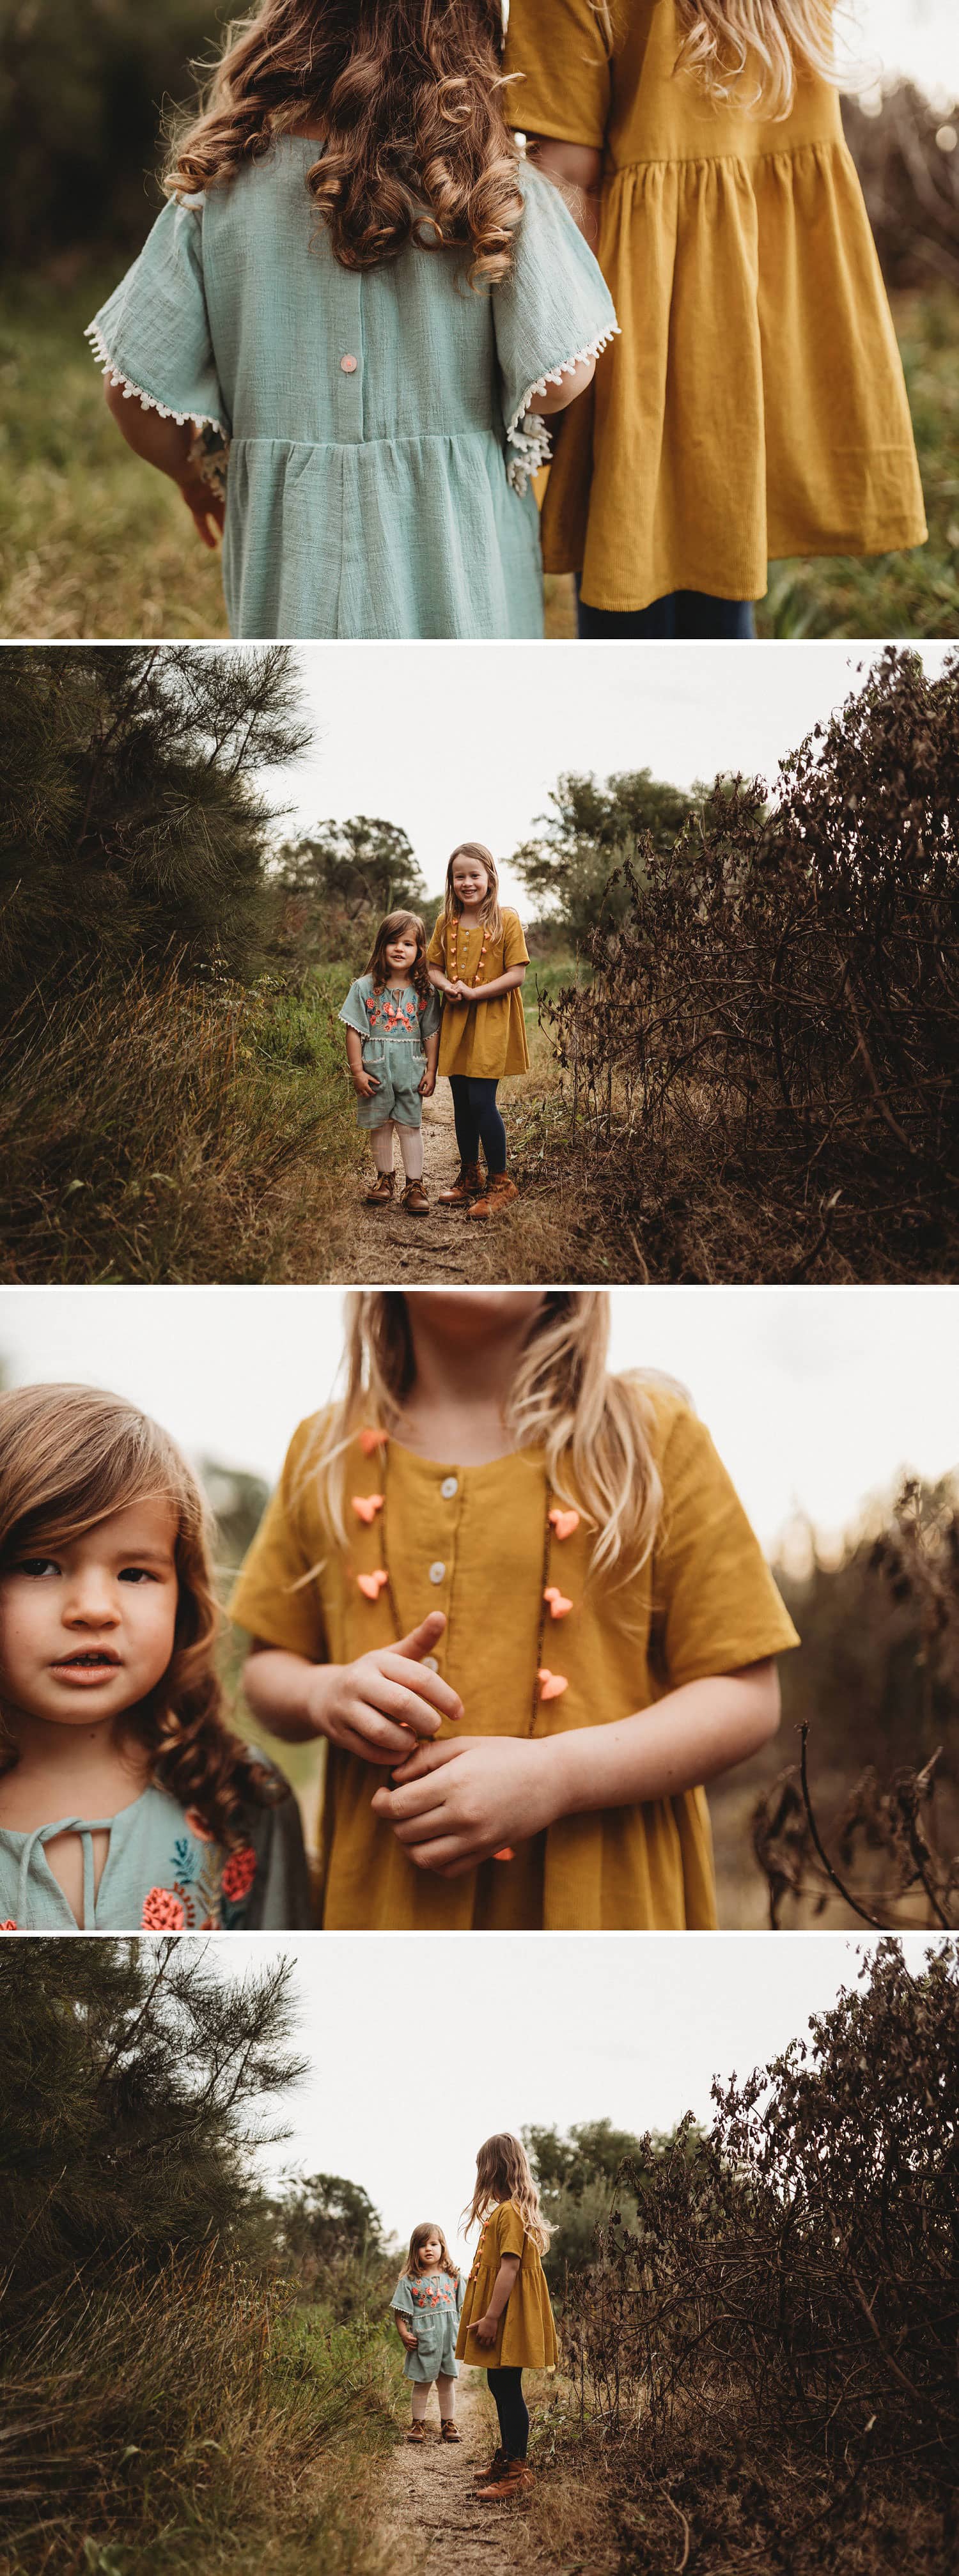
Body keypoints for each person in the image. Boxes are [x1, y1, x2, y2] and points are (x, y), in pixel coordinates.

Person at [228, 1288, 800, 1932]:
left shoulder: (653, 1437)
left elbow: (747, 1695)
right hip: (384, 1918)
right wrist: (323, 1692)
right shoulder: (323, 1451)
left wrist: (559, 1775)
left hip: (607, 1914)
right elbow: (266, 1671)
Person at [86, 0, 618, 641]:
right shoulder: (497, 190)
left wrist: (193, 477)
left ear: (295, 26)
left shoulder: (219, 192)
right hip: (460, 555)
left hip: (293, 564)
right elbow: (562, 378)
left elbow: (130, 397)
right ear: (471, 37)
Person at [502, 0, 927, 637]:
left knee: (632, 593)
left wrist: (538, 359)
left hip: (643, 316)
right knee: (717, 581)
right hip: (769, 303)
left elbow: (567, 177)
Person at [0, 1385, 311, 1932]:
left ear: (182, 1598)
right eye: (40, 1565)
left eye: (135, 1573)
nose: (95, 1610)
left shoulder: (240, 1795)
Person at [426, 846, 529, 1220]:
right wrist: (447, 986)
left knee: (481, 1101)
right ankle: (470, 1175)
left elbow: (516, 974)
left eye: (475, 875)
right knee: (461, 1101)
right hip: (457, 1018)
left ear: (490, 878)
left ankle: (502, 1182)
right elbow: (433, 968)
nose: (467, 883)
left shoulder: (506, 921)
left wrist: (474, 992)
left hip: (489, 1019)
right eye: (459, 877)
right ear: (451, 883)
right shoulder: (445, 922)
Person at [456, 2132, 557, 2503]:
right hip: (506, 2311)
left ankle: (518, 2471)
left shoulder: (510, 2212)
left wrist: (491, 2318)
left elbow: (510, 2267)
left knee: (507, 2387)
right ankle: (509, 2460)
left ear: (493, 2169)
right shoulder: (508, 2210)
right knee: (499, 2385)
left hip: (508, 2313)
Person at [339, 913, 441, 1216]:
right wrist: (358, 1071)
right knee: (380, 1125)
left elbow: (432, 1033)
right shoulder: (364, 988)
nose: (400, 949)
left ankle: (415, 1184)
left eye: (408, 943)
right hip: (375, 1069)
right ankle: (385, 1178)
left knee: (410, 1125)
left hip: (410, 1067)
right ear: (381, 946)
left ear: (420, 950)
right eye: (393, 942)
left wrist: (432, 1070)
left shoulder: (425, 991)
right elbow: (354, 1031)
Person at [390, 2223, 465, 2444]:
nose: (429, 2249)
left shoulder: (454, 2277)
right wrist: (405, 2335)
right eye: (423, 2245)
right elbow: (399, 2313)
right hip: (424, 2340)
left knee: (447, 2382)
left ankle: (448, 2423)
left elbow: (465, 2308)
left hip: (448, 2339)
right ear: (415, 2250)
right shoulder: (410, 2281)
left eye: (434, 2244)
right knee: (422, 2383)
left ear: (442, 2247)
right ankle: (418, 2424)